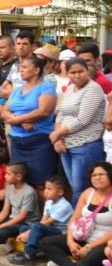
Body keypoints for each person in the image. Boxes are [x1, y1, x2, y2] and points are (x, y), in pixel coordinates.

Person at [38, 162, 112, 266]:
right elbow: (74, 219)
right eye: (94, 175)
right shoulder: (88, 193)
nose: (97, 178)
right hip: (83, 237)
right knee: (45, 242)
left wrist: (89, 247)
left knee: (98, 255)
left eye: (102, 174)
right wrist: (70, 242)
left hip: (101, 243)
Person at [50, 57, 107, 205]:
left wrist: (57, 133)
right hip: (67, 144)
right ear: (67, 73)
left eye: (80, 71)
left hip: (86, 145)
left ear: (87, 71)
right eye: (72, 72)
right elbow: (61, 113)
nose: (77, 75)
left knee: (81, 188)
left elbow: (83, 119)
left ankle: (78, 223)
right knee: (74, 186)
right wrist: (58, 138)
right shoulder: (70, 88)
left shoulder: (93, 88)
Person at [0, 55, 58, 189]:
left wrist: (17, 119)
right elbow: (4, 112)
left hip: (39, 140)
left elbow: (43, 111)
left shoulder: (46, 87)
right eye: (20, 68)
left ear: (37, 70)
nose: (21, 70)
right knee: (19, 182)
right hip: (17, 141)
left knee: (41, 183)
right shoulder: (17, 90)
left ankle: (44, 210)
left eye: (25, 67)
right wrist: (20, 122)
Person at [8, 175, 74, 265]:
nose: (45, 191)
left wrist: (28, 233)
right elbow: (43, 221)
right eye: (45, 188)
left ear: (60, 192)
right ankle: (37, 251)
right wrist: (27, 232)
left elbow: (47, 223)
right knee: (23, 228)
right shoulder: (48, 202)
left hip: (62, 233)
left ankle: (28, 256)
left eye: (49, 189)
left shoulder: (64, 205)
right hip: (51, 229)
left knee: (34, 228)